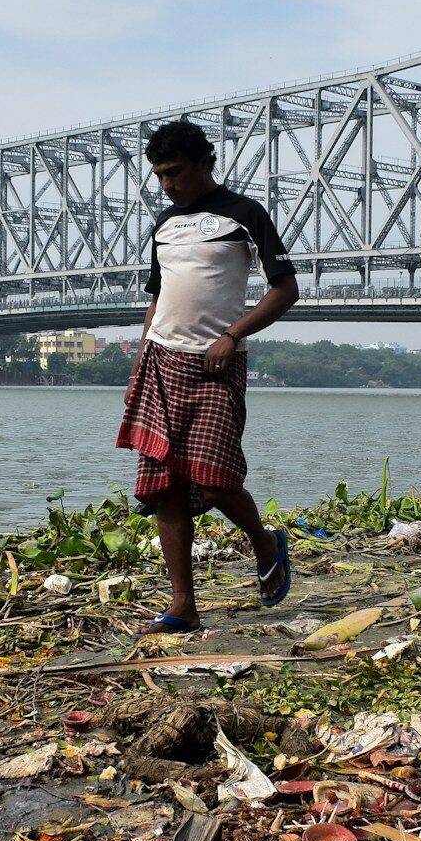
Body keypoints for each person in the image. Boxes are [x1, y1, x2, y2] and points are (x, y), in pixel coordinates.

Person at [115, 120, 300, 635]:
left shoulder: (245, 215)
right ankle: (183, 606)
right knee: (165, 487)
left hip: (217, 363)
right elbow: (159, 296)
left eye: (174, 172)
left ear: (204, 162)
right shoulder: (163, 224)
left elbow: (285, 289)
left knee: (214, 481)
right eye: (159, 176)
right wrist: (141, 350)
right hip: (159, 361)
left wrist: (232, 335)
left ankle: (264, 541)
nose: (166, 184)